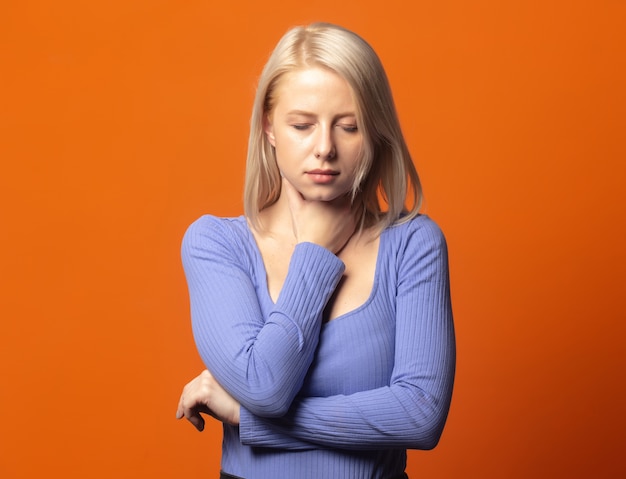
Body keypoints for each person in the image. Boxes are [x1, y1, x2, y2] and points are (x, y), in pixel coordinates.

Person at [175, 22, 455, 479]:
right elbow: (265, 387)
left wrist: (249, 420)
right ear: (268, 126)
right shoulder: (217, 244)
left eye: (349, 126)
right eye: (302, 125)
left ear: (376, 133)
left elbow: (420, 416)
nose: (324, 148)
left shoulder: (413, 245)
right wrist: (316, 254)